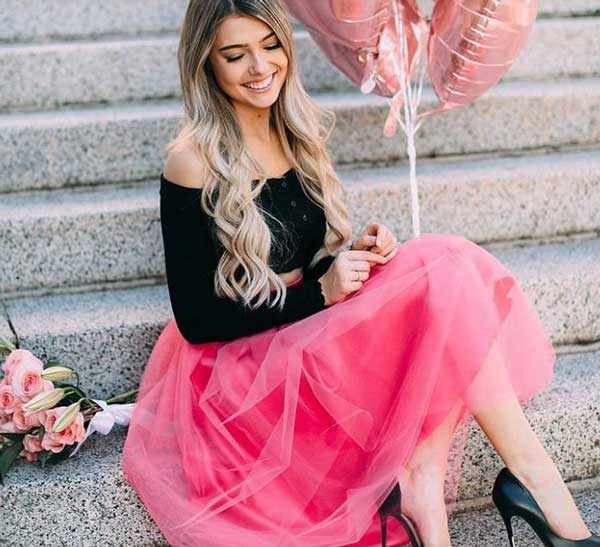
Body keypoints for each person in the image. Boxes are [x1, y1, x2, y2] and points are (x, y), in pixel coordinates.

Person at [121, 1, 599, 546]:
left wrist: (358, 257)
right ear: (206, 62)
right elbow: (197, 320)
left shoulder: (295, 132)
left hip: (303, 335)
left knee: (444, 264)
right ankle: (529, 485)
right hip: (247, 369)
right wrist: (321, 296)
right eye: (236, 55)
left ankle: (430, 490)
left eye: (271, 45)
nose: (260, 67)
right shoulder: (192, 159)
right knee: (440, 270)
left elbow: (311, 259)